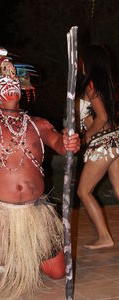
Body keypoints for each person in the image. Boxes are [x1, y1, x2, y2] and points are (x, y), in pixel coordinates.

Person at [0, 20, 80, 299]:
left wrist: (69, 142)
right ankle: (0, 256)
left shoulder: (38, 124)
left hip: (34, 213)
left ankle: (23, 252)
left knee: (57, 272)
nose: (9, 85)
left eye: (13, 81)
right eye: (2, 82)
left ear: (21, 90)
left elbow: (58, 141)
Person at [77, 44, 119, 250]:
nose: (80, 63)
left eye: (83, 59)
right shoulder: (103, 85)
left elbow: (101, 118)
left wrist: (86, 137)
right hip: (114, 141)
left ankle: (104, 236)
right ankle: (104, 237)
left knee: (84, 191)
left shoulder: (91, 85)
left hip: (103, 143)